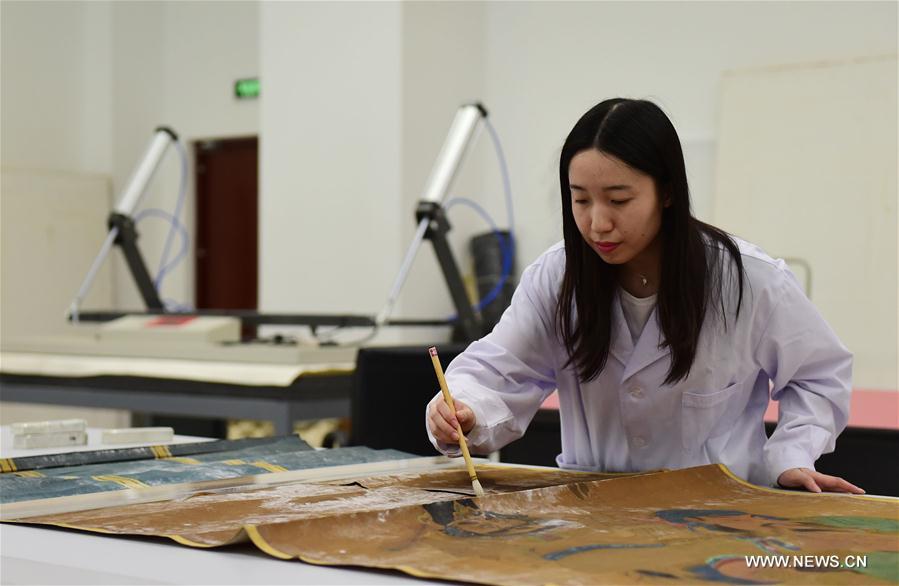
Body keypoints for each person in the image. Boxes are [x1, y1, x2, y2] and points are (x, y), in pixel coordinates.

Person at [426, 98, 863, 493]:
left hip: (719, 516)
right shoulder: (557, 277)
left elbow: (819, 378)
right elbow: (498, 371)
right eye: (581, 200)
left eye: (618, 199)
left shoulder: (748, 280)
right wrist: (464, 409)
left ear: (667, 192)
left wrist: (789, 457)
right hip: (592, 515)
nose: (598, 223)